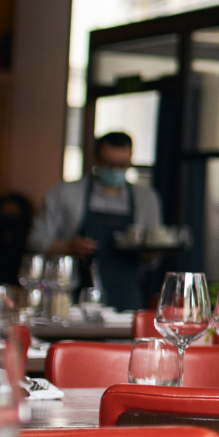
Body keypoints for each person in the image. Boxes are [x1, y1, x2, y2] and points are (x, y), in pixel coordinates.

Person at [29, 132, 163, 311]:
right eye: (109, 164)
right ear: (96, 159)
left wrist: (149, 252)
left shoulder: (146, 199)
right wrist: (68, 247)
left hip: (126, 297)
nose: (115, 170)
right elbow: (35, 241)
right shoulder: (65, 193)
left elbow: (153, 259)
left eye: (122, 165)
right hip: (73, 297)